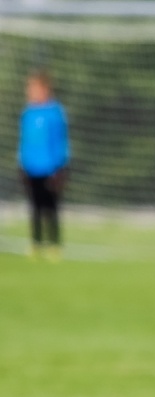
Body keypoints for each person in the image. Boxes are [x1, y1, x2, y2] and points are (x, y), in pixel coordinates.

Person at [17, 70, 68, 259]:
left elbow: (60, 141)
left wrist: (60, 166)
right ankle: (36, 243)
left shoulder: (55, 112)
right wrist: (21, 162)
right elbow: (24, 141)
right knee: (34, 207)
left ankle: (54, 244)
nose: (30, 91)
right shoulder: (28, 113)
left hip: (51, 168)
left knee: (51, 207)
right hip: (31, 167)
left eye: (34, 88)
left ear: (45, 89)